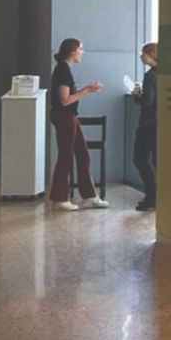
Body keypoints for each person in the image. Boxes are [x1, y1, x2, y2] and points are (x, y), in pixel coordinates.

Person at [48, 38, 108, 211]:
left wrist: (86, 90)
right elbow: (65, 100)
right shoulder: (63, 71)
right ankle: (59, 198)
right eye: (81, 49)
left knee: (82, 154)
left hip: (69, 116)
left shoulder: (64, 70)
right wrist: (87, 90)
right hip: (65, 116)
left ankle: (89, 196)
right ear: (73, 51)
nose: (82, 52)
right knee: (66, 156)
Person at [131, 42, 158, 211]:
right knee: (157, 161)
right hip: (160, 123)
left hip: (148, 123)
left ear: (151, 55)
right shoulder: (164, 74)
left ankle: (151, 196)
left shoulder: (150, 76)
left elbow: (147, 101)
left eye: (143, 53)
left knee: (140, 158)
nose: (141, 56)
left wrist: (136, 96)